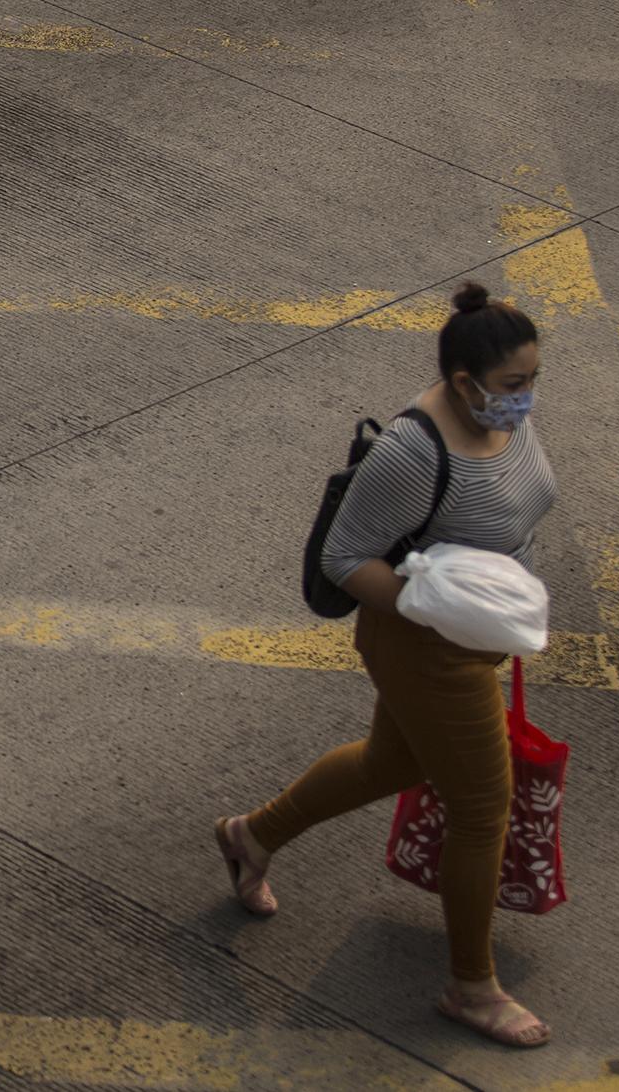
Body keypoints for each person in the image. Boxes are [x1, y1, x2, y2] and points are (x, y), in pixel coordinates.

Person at [218, 281, 558, 1047]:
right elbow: (343, 559)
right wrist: (441, 607)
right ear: (467, 384)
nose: (527, 398)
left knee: (388, 761)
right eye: (514, 385)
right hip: (427, 650)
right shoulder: (414, 450)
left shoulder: (499, 418)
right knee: (480, 808)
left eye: (534, 379)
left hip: (473, 640)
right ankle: (472, 986)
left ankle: (251, 835)